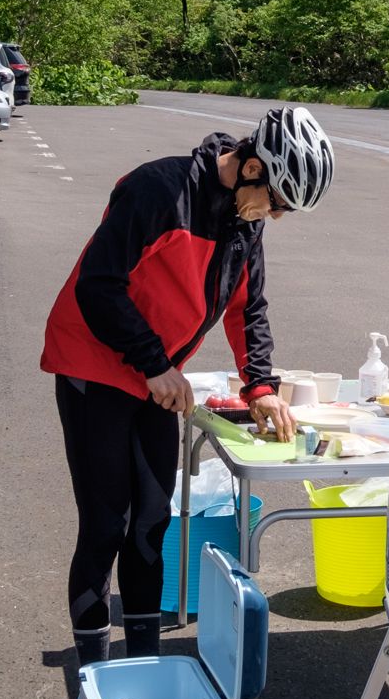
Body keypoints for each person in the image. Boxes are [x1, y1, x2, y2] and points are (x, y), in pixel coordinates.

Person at [40, 106, 335, 665]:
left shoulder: (247, 221)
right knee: (107, 525)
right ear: (252, 168)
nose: (277, 215)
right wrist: (153, 363)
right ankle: (94, 675)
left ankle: (145, 666)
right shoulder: (158, 190)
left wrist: (261, 387)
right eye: (278, 201)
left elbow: (249, 307)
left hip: (155, 377)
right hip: (95, 364)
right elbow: (97, 286)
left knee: (152, 521)